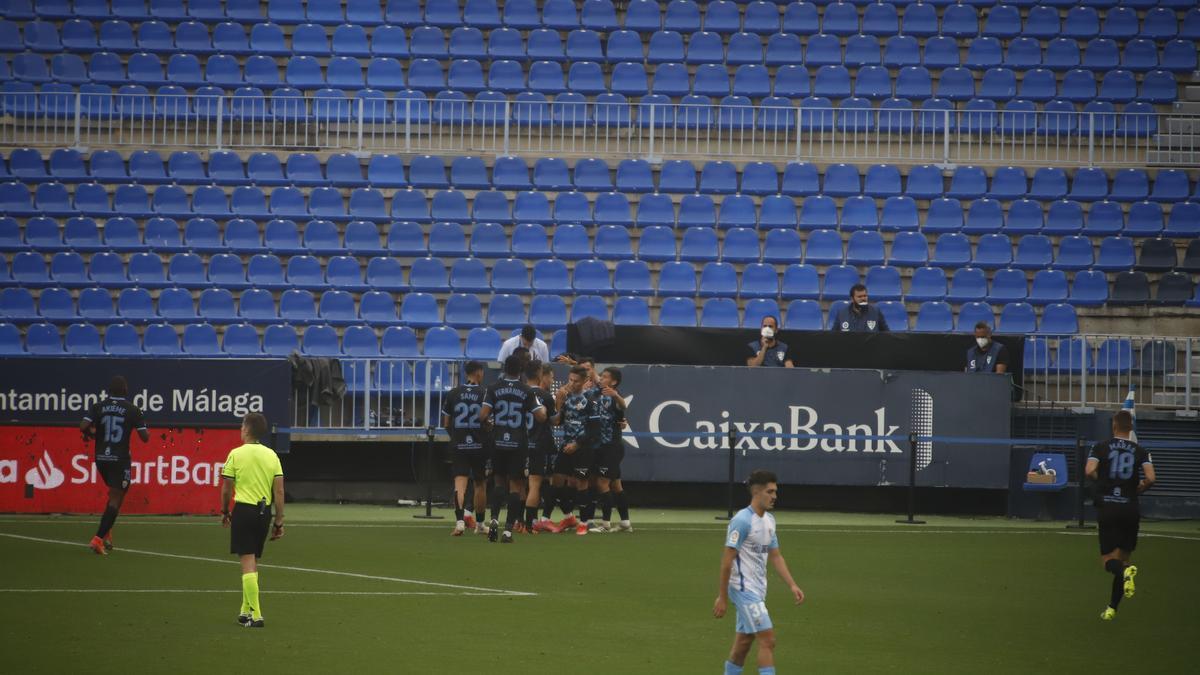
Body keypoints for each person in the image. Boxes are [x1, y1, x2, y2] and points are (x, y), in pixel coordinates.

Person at [714, 470, 804, 675]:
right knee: (768, 640)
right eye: (770, 491)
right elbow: (726, 561)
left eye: (775, 491)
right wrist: (722, 597)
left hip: (758, 591)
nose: (775, 496)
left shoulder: (769, 521)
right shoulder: (742, 521)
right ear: (756, 492)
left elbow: (775, 556)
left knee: (743, 644)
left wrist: (792, 584)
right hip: (743, 589)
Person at [1085, 410, 1155, 621]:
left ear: (1114, 426)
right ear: (1130, 428)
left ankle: (1123, 579)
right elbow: (1151, 478)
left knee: (1108, 560)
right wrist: (1138, 489)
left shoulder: (1100, 446)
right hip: (1130, 508)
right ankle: (1112, 608)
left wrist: (1102, 482)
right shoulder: (1141, 450)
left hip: (1109, 507)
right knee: (1123, 559)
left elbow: (1089, 471)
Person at [219, 413, 285, 629]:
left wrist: (224, 510)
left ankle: (256, 615)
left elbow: (226, 488)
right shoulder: (272, 456)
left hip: (244, 511)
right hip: (263, 514)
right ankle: (244, 610)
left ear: (246, 429)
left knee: (247, 561)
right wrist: (279, 521)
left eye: (241, 426)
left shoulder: (236, 454)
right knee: (252, 559)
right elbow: (279, 491)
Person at [480, 355, 546, 544]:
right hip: (518, 443)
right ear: (521, 371)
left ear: (505, 368)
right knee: (516, 486)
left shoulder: (493, 388)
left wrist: (489, 424)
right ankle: (508, 531)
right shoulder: (526, 390)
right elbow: (541, 417)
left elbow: (482, 415)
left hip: (498, 441)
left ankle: (493, 519)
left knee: (498, 482)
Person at [80, 375, 149, 555]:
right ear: (125, 391)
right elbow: (145, 437)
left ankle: (106, 533)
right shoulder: (133, 410)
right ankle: (97, 539)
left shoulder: (98, 407)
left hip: (101, 458)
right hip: (120, 460)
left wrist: (94, 433)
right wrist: (137, 423)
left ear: (109, 391)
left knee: (114, 495)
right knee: (116, 499)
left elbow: (83, 426)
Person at [441, 360, 489, 537]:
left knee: (460, 484)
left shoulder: (453, 393)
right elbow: (488, 420)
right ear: (478, 373)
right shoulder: (484, 393)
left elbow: (446, 422)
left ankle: (460, 522)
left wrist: (455, 437)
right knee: (480, 484)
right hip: (479, 444)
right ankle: (480, 524)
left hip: (459, 443)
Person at [554, 365, 601, 536]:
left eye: (576, 381)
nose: (572, 383)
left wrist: (577, 444)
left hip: (582, 448)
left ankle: (583, 522)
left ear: (584, 381)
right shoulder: (565, 397)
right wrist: (557, 404)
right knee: (557, 480)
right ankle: (568, 517)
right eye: (570, 380)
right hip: (566, 446)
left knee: (582, 483)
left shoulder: (591, 399)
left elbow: (595, 429)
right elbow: (557, 422)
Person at [590, 367, 631, 533]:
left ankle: (605, 524)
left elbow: (623, 405)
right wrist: (573, 362)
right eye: (602, 375)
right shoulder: (598, 394)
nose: (601, 378)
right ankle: (625, 522)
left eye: (605, 376)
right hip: (604, 446)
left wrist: (616, 395)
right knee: (616, 485)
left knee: (602, 482)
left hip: (611, 447)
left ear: (613, 382)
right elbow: (592, 373)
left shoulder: (614, 396)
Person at [522, 361, 558, 533]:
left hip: (519, 444)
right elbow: (554, 420)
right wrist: (562, 404)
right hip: (537, 443)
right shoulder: (544, 395)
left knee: (517, 484)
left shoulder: (519, 392)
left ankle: (516, 521)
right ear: (539, 374)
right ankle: (530, 524)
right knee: (535, 484)